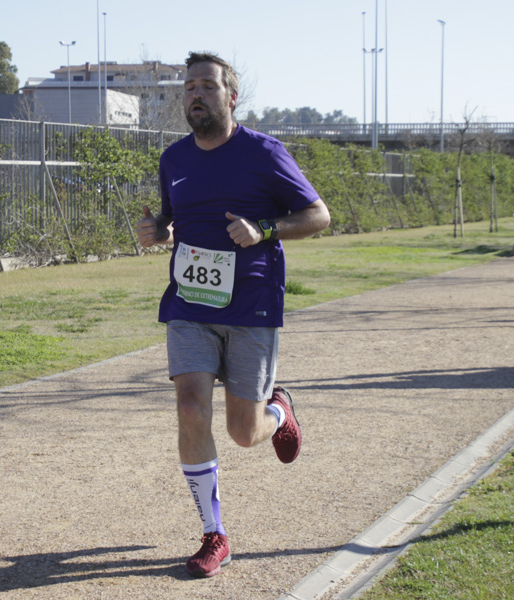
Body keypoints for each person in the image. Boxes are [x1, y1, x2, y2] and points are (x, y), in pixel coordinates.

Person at [136, 51, 331, 578]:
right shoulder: (173, 160)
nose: (195, 94)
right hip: (189, 305)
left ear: (231, 95)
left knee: (244, 432)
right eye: (189, 87)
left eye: (207, 86)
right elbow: (175, 224)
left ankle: (280, 410)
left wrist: (264, 229)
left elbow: (318, 215)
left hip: (251, 304)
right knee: (191, 407)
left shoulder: (264, 153)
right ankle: (214, 533)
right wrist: (160, 233)